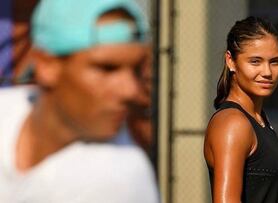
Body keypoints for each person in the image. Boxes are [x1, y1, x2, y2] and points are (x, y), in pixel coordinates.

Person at [0, 0, 159, 202]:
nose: (131, 90)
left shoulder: (120, 179)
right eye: (106, 68)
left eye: (137, 70)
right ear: (46, 65)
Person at [203, 16, 278, 203]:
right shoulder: (233, 124)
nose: (267, 72)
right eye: (255, 61)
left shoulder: (259, 119)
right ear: (231, 61)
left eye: (275, 62)